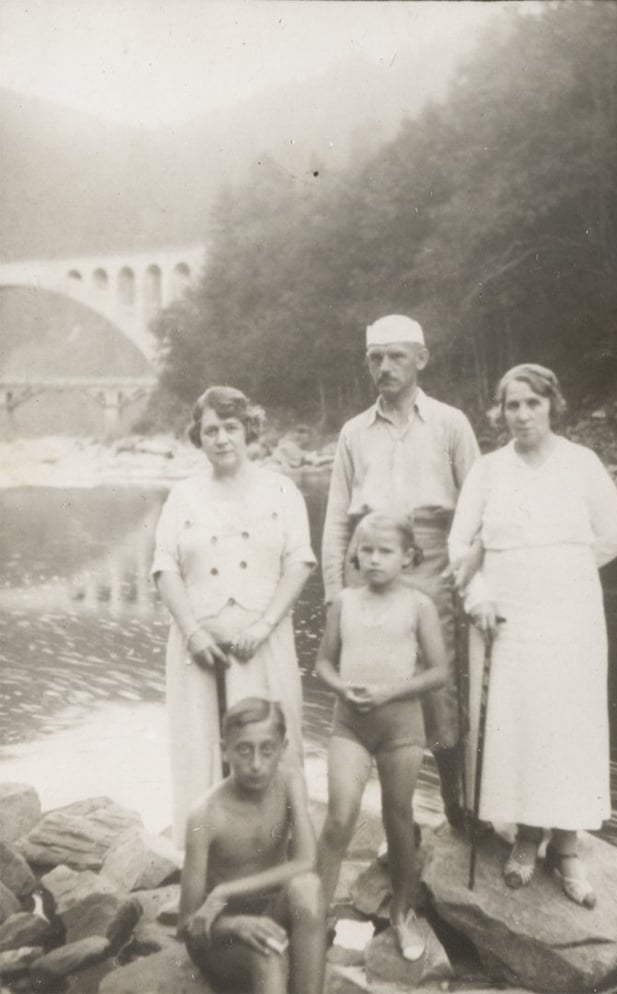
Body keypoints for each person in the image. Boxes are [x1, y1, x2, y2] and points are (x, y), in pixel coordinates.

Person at [449, 364, 617, 907]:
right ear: (498, 411)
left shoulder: (582, 463)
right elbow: (460, 545)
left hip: (571, 614)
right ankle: (527, 836)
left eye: (533, 403)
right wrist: (480, 595)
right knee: (520, 723)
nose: (523, 415)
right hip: (504, 616)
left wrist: (563, 572)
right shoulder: (488, 470)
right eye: (512, 405)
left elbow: (613, 537)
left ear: (553, 405)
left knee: (569, 723)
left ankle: (566, 847)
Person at [321, 314, 480, 829]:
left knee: (438, 688)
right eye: (375, 358)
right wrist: (334, 592)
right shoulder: (353, 432)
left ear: (421, 359)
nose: (384, 367)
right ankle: (392, 815)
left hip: (432, 564)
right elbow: (336, 517)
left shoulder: (451, 424)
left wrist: (470, 579)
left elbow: (480, 507)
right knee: (368, 683)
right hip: (365, 566)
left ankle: (457, 803)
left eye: (396, 356)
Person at [152, 386, 316, 845]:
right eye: (210, 430)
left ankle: (274, 857)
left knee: (269, 747)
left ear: (249, 431)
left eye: (231, 427)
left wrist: (263, 625)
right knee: (200, 749)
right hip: (198, 652)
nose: (221, 438)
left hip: (264, 645)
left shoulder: (281, 490)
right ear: (198, 437)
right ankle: (205, 861)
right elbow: (164, 567)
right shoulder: (183, 495)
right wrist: (193, 631)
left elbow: (300, 562)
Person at [315, 513, 447, 961]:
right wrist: (341, 687)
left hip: (401, 726)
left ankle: (401, 915)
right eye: (366, 550)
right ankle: (314, 917)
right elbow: (323, 664)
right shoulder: (344, 602)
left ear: (408, 557)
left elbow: (438, 671)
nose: (373, 559)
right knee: (339, 818)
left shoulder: (419, 605)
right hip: (350, 723)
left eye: (385, 551)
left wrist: (390, 691)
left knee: (398, 817)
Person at [179, 697, 326, 994]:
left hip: (270, 912)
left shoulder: (290, 782)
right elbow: (186, 924)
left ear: (283, 748)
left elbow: (307, 861)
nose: (256, 764)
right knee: (269, 954)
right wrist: (236, 924)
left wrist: (224, 890)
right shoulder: (205, 815)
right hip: (220, 932)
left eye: (267, 750)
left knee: (308, 888)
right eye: (244, 750)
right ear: (225, 751)